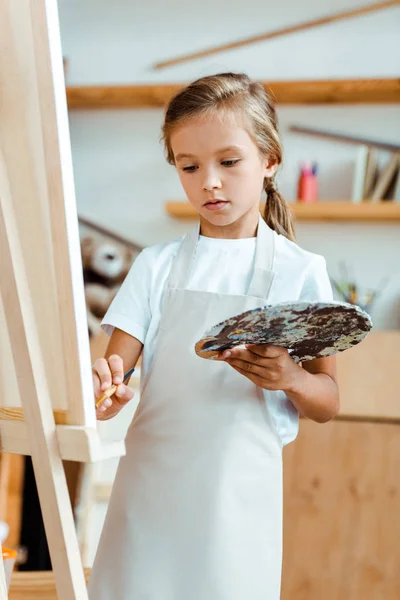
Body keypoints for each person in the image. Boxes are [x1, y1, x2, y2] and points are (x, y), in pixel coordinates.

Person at [88, 72, 339, 600]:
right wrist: (106, 389)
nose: (210, 182)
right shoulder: (156, 266)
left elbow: (327, 401)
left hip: (237, 504)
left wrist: (290, 377)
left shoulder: (301, 272)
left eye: (229, 161)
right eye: (189, 166)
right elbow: (115, 369)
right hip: (149, 494)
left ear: (269, 161)